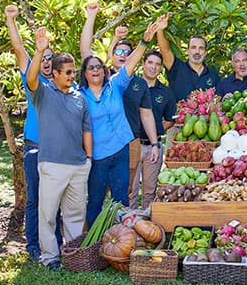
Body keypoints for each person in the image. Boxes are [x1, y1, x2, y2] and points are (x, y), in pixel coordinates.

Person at [79, 17, 163, 228]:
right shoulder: (81, 95)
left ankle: (121, 241)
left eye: (99, 66)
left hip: (121, 151)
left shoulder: (115, 86)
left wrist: (144, 42)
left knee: (122, 201)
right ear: (85, 73)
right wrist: (91, 17)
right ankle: (92, 243)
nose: (96, 70)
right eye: (91, 68)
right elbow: (84, 50)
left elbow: (132, 63)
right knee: (95, 201)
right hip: (98, 155)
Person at [26, 27, 92, 269]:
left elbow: (87, 130)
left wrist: (89, 160)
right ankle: (50, 257)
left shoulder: (79, 97)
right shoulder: (42, 93)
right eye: (67, 72)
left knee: (75, 216)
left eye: (74, 71)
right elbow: (31, 78)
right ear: (54, 74)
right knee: (48, 214)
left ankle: (72, 257)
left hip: (77, 166)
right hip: (52, 164)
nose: (72, 76)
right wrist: (39, 50)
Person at [4, 4, 62, 262]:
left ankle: (56, 243)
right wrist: (11, 19)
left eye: (50, 58)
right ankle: (33, 247)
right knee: (34, 199)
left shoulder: (62, 83)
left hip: (57, 150)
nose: (46, 62)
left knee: (55, 201)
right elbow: (18, 49)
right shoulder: (32, 78)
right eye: (44, 57)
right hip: (35, 146)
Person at [130, 49, 177, 210]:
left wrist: (155, 132)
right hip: (132, 144)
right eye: (150, 62)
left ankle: (148, 222)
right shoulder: (132, 85)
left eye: (158, 64)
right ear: (143, 64)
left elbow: (170, 119)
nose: (153, 67)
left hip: (153, 147)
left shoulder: (165, 92)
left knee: (150, 190)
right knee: (131, 189)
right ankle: (129, 222)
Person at [155, 13, 220, 101]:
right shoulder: (176, 68)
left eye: (201, 48)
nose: (197, 52)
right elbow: (165, 50)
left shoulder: (213, 75)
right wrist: (160, 30)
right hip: (178, 114)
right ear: (188, 50)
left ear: (205, 53)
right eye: (193, 48)